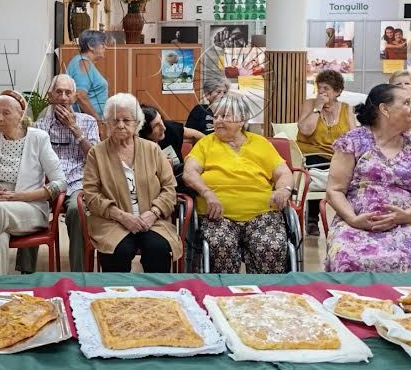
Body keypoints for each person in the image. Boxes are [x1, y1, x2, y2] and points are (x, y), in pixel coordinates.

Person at [323, 84, 411, 273]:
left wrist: (409, 215)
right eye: (406, 103)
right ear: (384, 109)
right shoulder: (353, 141)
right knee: (346, 253)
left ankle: (407, 301)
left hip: (407, 225)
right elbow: (335, 190)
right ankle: (350, 302)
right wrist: (353, 219)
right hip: (356, 224)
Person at [181, 93, 293, 273]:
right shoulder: (205, 144)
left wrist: (284, 189)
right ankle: (222, 295)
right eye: (216, 116)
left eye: (224, 116)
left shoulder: (261, 143)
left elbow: (284, 173)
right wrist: (208, 193)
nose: (218, 121)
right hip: (217, 215)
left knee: (271, 247)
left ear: (242, 120)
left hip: (263, 214)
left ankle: (264, 295)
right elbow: (189, 173)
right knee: (220, 245)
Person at [0, 91, 66, 275]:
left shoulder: (39, 138)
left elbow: (60, 183)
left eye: (6, 113)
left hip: (28, 208)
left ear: (21, 114)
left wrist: (20, 196)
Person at [81, 94, 178, 272]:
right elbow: (91, 194)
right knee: (118, 251)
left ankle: (156, 297)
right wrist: (121, 216)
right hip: (112, 221)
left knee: (158, 249)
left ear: (137, 123)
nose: (120, 125)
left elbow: (169, 188)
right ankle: (117, 298)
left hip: (152, 220)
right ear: (107, 122)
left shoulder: (153, 150)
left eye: (126, 120)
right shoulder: (97, 153)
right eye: (115, 120)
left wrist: (154, 212)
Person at [25, 74, 100, 272]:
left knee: (77, 210)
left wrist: (74, 128)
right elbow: (32, 160)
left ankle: (79, 272)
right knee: (28, 206)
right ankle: (26, 272)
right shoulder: (40, 125)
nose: (64, 97)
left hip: (76, 182)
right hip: (47, 183)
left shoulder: (89, 122)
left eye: (68, 93)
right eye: (59, 92)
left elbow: (96, 158)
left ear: (75, 97)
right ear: (51, 96)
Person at [296, 69, 354, 191]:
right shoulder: (310, 104)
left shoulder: (346, 108)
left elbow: (353, 137)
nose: (321, 91)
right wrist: (318, 107)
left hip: (337, 157)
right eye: (319, 87)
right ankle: (315, 207)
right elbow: (306, 130)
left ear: (337, 91)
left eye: (326, 88)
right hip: (312, 157)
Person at [67, 29, 108, 121]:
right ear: (90, 46)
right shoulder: (83, 63)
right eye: (102, 44)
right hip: (88, 122)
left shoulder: (84, 62)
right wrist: (98, 121)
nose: (106, 47)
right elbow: (80, 95)